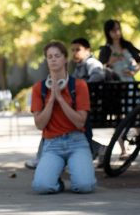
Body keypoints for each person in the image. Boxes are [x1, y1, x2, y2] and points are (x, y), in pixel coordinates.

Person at [31, 41, 96, 194]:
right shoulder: (39, 89)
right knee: (41, 187)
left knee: (84, 186)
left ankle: (80, 174)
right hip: (52, 145)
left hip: (77, 142)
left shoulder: (79, 85)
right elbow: (40, 124)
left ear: (65, 59)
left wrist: (60, 98)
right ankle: (57, 182)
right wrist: (52, 99)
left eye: (57, 56)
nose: (53, 59)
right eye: (49, 57)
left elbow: (80, 121)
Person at [98, 19, 140, 160]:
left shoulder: (127, 45)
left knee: (137, 117)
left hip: (130, 85)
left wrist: (135, 71)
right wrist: (110, 62)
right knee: (119, 119)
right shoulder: (106, 49)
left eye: (118, 29)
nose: (117, 32)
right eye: (113, 30)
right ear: (108, 32)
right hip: (116, 87)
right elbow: (101, 67)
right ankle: (124, 150)